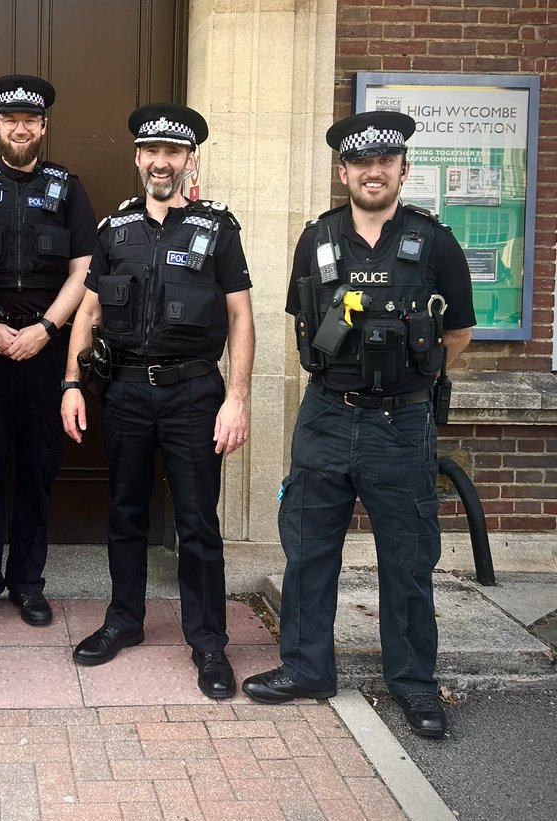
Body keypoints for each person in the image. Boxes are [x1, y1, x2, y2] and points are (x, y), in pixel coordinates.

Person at [242, 112, 475, 737]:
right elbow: (303, 322)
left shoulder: (435, 243)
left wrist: (412, 385)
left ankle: (414, 684)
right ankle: (307, 668)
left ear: (403, 170)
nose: (374, 172)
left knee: (407, 558)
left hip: (402, 423)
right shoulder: (316, 239)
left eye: (386, 162)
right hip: (325, 417)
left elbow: (459, 332)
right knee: (309, 550)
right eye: (360, 163)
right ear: (343, 172)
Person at [60, 103, 254, 700]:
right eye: (153, 152)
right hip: (124, 393)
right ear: (139, 159)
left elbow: (241, 316)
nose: (162, 162)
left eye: (175, 152)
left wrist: (238, 399)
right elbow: (89, 311)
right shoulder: (114, 230)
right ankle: (125, 619)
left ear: (189, 160)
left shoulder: (217, 228)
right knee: (125, 512)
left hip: (194, 392)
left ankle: (208, 641)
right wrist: (71, 383)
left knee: (197, 521)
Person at [0, 75, 95, 630]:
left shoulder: (67, 189)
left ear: (44, 127)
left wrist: (49, 330)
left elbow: (86, 270)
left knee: (37, 470)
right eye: (11, 120)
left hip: (44, 351)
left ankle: (28, 582)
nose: (21, 128)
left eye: (31, 121)